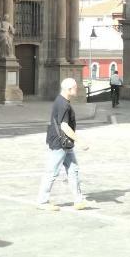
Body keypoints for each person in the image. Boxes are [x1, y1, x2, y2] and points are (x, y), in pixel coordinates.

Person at [37, 78, 90, 211]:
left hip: (65, 143)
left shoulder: (61, 101)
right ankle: (42, 201)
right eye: (75, 88)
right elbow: (65, 126)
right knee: (52, 171)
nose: (77, 89)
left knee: (73, 170)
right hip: (61, 142)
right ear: (68, 89)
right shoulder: (64, 105)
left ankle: (78, 200)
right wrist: (80, 140)